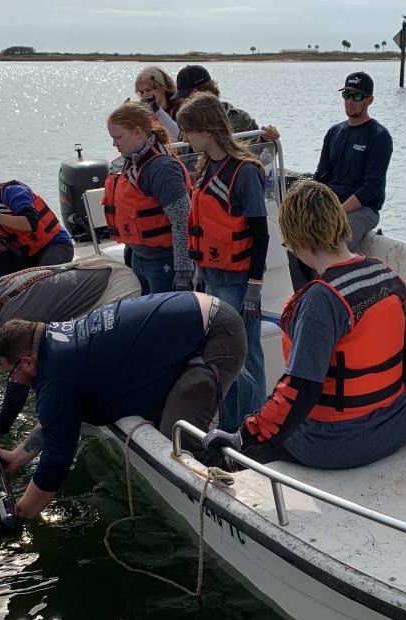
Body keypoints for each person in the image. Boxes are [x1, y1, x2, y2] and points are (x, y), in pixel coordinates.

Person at [202, 180, 406, 470]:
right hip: (396, 427)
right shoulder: (384, 275)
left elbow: (301, 389)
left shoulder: (321, 300)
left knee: (247, 444)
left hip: (334, 444)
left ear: (297, 240)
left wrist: (243, 438)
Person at [0, 292, 247, 518]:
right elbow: (56, 419)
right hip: (193, 317)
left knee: (179, 441)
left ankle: (245, 470)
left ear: (28, 362)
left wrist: (22, 514)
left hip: (216, 331)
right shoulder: (54, 343)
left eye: (12, 374)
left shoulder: (57, 374)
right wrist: (18, 458)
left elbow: (56, 460)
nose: (16, 381)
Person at [0, 255, 143, 436]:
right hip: (102, 270)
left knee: (82, 373)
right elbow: (1, 335)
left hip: (116, 289)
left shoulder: (15, 311)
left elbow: (18, 381)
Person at [177, 92, 270, 432]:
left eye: (188, 131)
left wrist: (254, 289)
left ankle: (250, 427)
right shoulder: (207, 168)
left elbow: (260, 235)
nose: (184, 138)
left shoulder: (244, 173)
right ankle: (231, 423)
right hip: (212, 278)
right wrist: (199, 273)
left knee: (244, 358)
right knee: (223, 357)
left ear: (207, 129)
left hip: (237, 282)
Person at [291, 72, 392, 289]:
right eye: (347, 94)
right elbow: (320, 176)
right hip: (330, 205)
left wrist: (337, 211)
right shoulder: (334, 132)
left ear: (369, 100)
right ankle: (304, 299)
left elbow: (372, 187)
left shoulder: (379, 136)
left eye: (357, 96)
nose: (350, 101)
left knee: (329, 249)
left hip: (362, 209)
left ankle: (330, 303)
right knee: (294, 246)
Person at [103, 101, 194, 295]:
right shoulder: (128, 165)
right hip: (139, 256)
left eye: (118, 137)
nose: (114, 143)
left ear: (138, 132)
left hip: (164, 261)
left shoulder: (162, 169)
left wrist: (184, 271)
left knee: (164, 321)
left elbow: (182, 221)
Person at [170, 65, 279, 143]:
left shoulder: (240, 118)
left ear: (206, 91)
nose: (185, 102)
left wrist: (267, 138)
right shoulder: (186, 123)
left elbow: (258, 152)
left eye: (189, 97)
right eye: (183, 98)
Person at [134, 65, 180, 139]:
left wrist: (157, 111)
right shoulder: (144, 116)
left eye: (148, 90)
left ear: (162, 88)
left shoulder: (179, 110)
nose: (145, 95)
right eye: (141, 92)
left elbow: (179, 136)